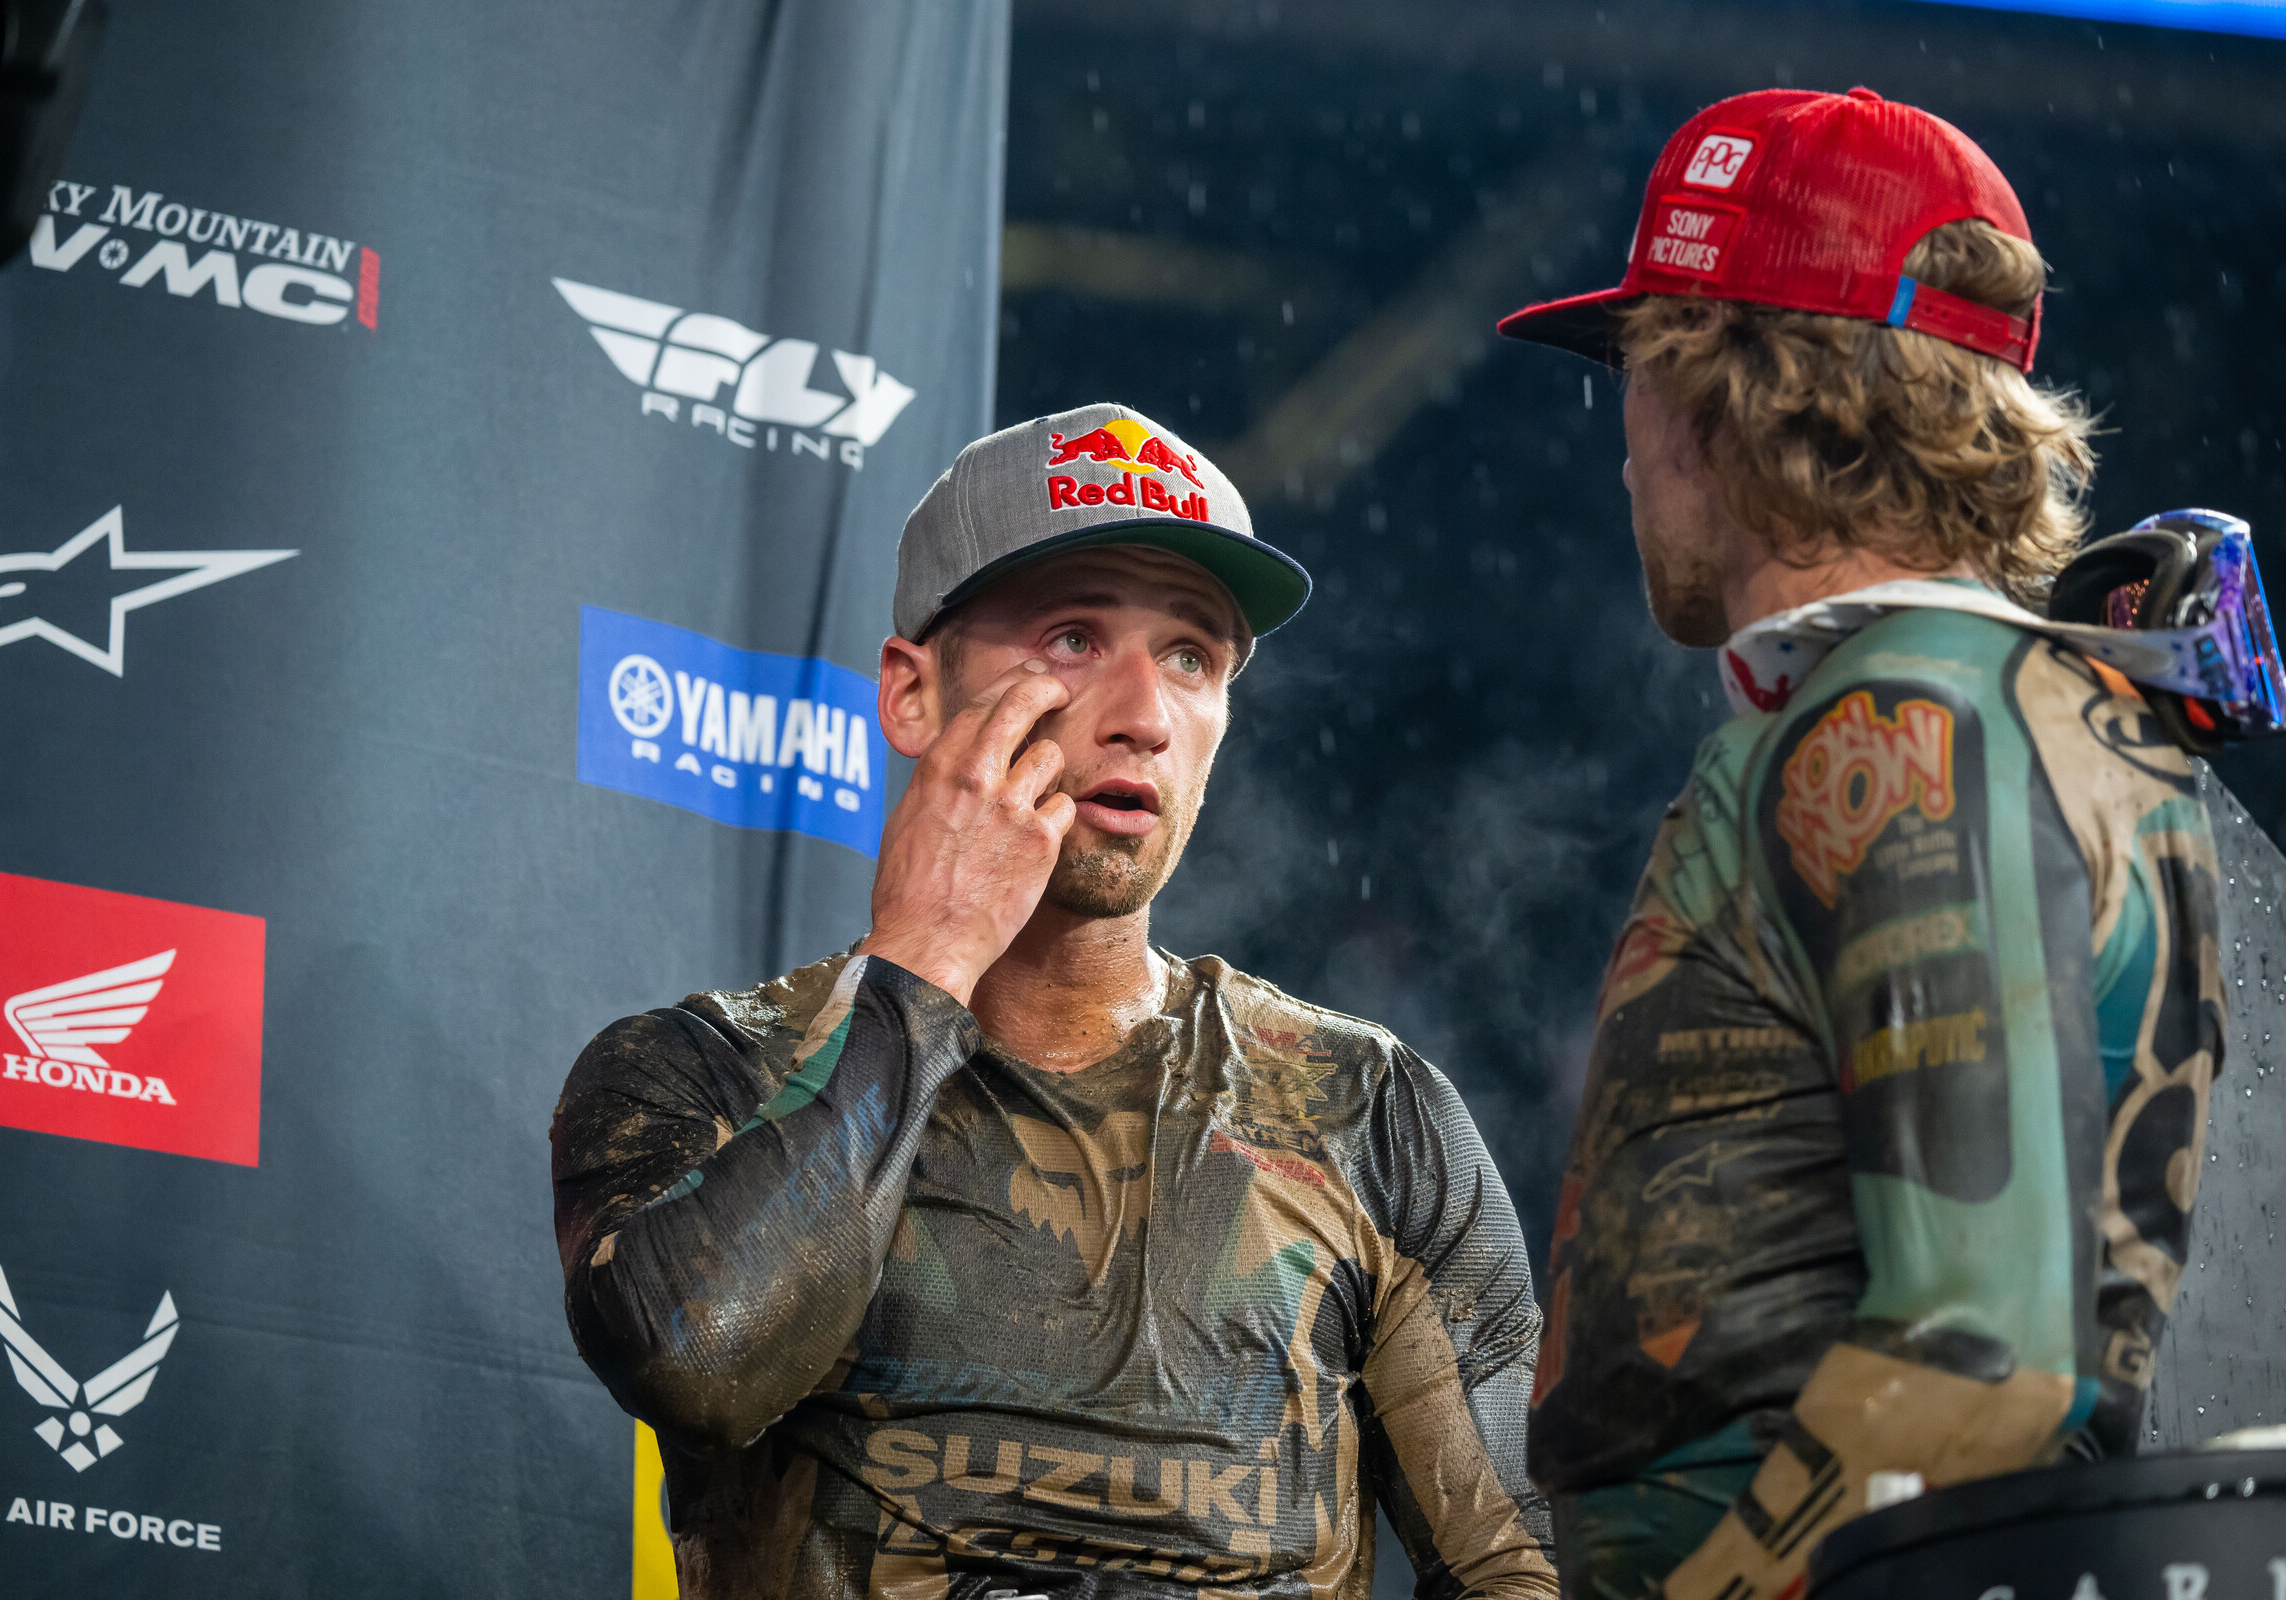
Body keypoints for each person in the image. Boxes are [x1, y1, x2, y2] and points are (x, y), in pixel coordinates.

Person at [550, 404, 1558, 1599]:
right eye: (1075, 638)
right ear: (913, 692)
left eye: (1193, 655)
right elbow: (701, 1362)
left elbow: (1518, 1567)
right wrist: (925, 953)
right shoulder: (703, 1072)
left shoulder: (1367, 1110)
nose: (1142, 711)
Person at [1495, 90, 2226, 1600]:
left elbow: (1982, 1362)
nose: (1624, 447)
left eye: (1633, 372)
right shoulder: (1980, 707)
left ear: (1718, 394)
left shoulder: (1906, 729)